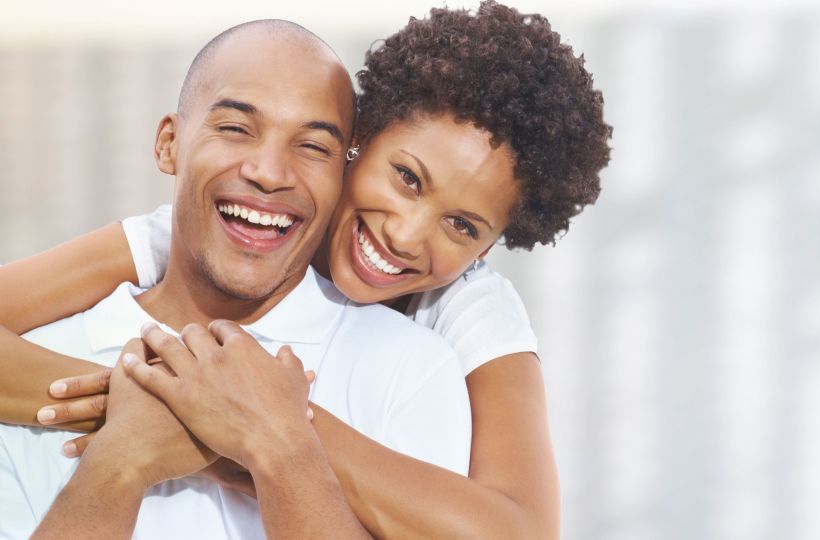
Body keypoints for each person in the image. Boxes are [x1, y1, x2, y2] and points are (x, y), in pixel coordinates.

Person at [0, 2, 612, 538]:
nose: (404, 232)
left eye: (462, 227)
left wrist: (267, 432)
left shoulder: (457, 319)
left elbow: (521, 532)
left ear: (486, 249)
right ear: (358, 144)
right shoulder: (196, 229)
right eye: (405, 178)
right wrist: (169, 399)